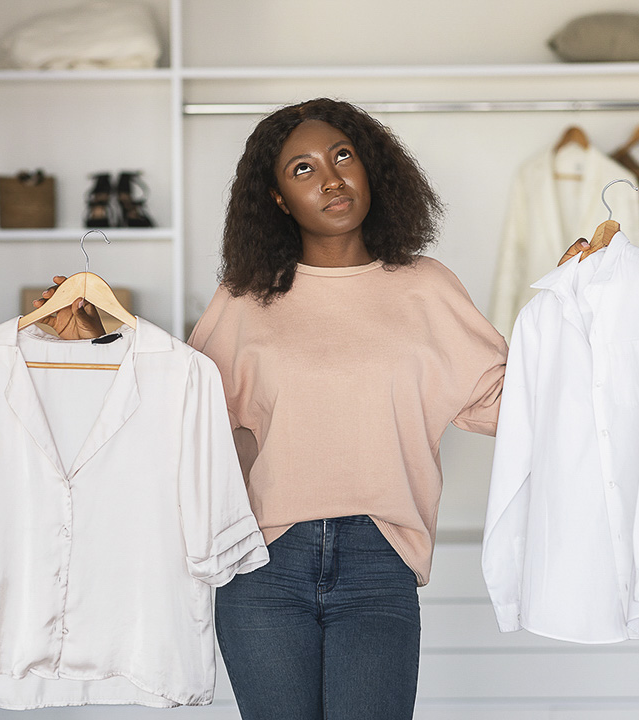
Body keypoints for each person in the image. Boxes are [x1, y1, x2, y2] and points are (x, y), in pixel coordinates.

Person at [32, 98, 586, 720]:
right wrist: (104, 342)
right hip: (263, 561)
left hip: (381, 558)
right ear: (275, 199)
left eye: (343, 156)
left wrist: (578, 309)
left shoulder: (426, 287)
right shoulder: (243, 298)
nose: (331, 179)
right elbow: (191, 427)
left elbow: (517, 405)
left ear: (372, 168)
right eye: (302, 169)